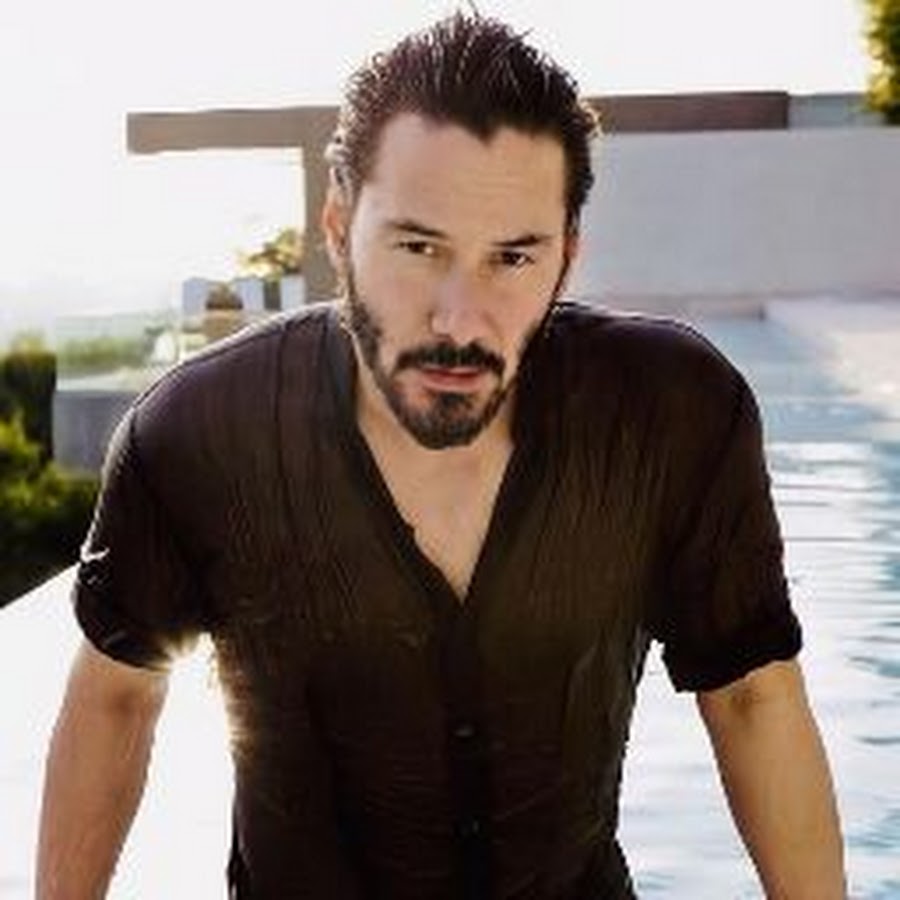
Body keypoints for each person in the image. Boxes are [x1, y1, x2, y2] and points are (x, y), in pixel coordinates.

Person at [37, 12, 846, 899]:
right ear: (339, 227)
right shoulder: (196, 431)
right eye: (419, 248)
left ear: (567, 257)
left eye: (513, 258)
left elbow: (751, 697)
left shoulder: (675, 413)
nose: (460, 318)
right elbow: (117, 697)